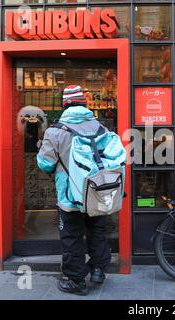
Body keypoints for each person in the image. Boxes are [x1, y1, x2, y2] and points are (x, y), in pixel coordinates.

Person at [37, 85, 111, 296]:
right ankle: (98, 269)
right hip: (97, 192)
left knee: (71, 236)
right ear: (84, 103)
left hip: (70, 195)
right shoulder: (101, 128)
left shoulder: (55, 131)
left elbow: (44, 164)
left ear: (65, 104)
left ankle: (76, 281)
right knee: (97, 230)